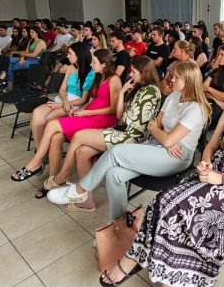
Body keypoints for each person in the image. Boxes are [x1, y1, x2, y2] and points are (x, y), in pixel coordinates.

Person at [87, 71, 224, 287]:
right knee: (162, 202)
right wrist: (205, 162)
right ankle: (137, 261)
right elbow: (211, 147)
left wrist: (220, 179)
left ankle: (164, 282)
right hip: (211, 175)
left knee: (177, 211)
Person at [45, 62, 210, 221]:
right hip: (158, 144)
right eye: (173, 76)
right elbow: (155, 126)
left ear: (188, 81)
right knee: (113, 175)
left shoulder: (195, 108)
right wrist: (163, 135)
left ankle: (79, 189)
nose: (171, 80)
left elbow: (160, 132)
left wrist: (163, 135)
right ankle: (118, 223)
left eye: (177, 77)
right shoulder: (173, 96)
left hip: (177, 155)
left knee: (116, 152)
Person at [36, 56, 164, 205]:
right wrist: (122, 92)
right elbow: (119, 116)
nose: (130, 75)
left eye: (134, 71)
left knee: (78, 136)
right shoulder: (137, 88)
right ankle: (87, 201)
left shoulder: (151, 90)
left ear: (144, 72)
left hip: (132, 137)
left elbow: (128, 121)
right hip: (123, 131)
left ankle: (63, 175)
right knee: (81, 152)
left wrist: (124, 115)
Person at [10, 49, 122, 182]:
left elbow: (113, 109)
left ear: (104, 64)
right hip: (88, 115)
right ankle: (53, 179)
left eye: (94, 62)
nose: (91, 64)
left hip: (102, 119)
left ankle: (35, 163)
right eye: (91, 61)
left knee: (51, 124)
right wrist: (79, 112)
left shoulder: (114, 80)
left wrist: (85, 112)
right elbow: (91, 101)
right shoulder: (98, 76)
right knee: (56, 138)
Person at [29, 42, 95, 147]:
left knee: (46, 118)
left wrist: (62, 105)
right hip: (64, 99)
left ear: (79, 55)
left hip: (75, 104)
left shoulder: (90, 73)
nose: (67, 56)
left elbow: (83, 100)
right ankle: (40, 152)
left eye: (70, 54)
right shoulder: (70, 68)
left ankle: (44, 150)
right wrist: (63, 101)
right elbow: (62, 89)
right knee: (36, 114)